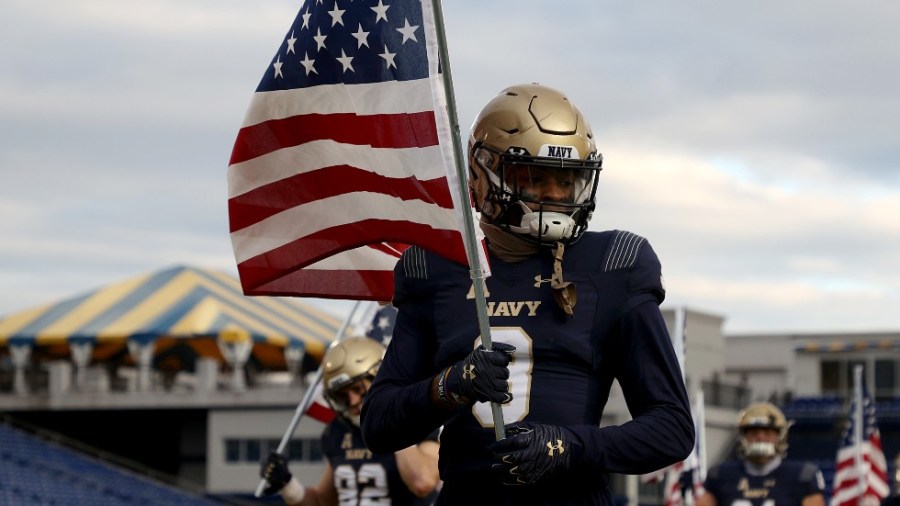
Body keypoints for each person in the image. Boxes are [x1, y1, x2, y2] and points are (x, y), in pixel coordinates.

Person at [359, 83, 694, 505]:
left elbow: (672, 428)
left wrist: (571, 447)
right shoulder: (436, 267)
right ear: (481, 178)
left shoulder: (613, 264)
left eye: (566, 180)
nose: (555, 196)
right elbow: (378, 425)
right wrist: (450, 385)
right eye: (535, 178)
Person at [260, 336, 441, 505]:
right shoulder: (339, 430)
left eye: (357, 389)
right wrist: (288, 486)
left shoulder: (414, 418)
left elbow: (423, 483)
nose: (353, 402)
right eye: (342, 396)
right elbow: (324, 502)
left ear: (379, 378)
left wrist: (391, 422)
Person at [695, 402, 825, 506]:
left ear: (781, 436)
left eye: (768, 432)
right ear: (743, 437)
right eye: (753, 433)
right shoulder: (719, 475)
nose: (760, 437)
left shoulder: (802, 476)